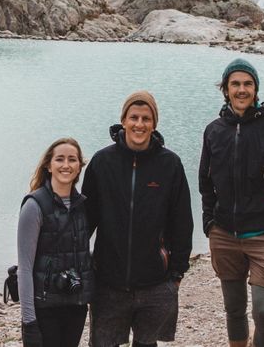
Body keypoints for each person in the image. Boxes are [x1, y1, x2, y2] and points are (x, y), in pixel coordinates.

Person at [199, 59, 264, 347]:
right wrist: (209, 222)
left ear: (256, 89)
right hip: (224, 234)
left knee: (263, 311)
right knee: (234, 309)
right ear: (226, 90)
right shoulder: (214, 130)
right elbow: (206, 181)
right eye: (235, 84)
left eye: (247, 84)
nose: (242, 90)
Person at [83, 91, 193, 347]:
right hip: (108, 282)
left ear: (154, 123)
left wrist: (177, 272)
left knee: (147, 344)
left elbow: (182, 222)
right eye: (134, 117)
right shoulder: (102, 162)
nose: (139, 124)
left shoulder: (170, 164)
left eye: (146, 118)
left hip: (155, 282)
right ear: (123, 120)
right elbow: (86, 221)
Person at [19, 138, 95, 347]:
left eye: (72, 159)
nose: (66, 165)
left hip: (75, 305)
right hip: (45, 308)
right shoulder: (34, 206)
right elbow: (24, 268)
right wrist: (29, 321)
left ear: (79, 166)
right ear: (48, 165)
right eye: (59, 159)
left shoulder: (82, 206)